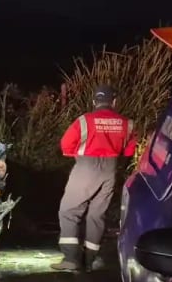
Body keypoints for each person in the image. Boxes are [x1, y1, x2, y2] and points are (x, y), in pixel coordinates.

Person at [52, 85, 137, 272]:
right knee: (97, 215)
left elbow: (66, 144)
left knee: (69, 211)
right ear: (114, 102)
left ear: (94, 102)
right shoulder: (127, 123)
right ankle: (89, 260)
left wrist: (78, 155)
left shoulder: (84, 121)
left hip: (86, 167)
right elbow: (130, 150)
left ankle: (71, 259)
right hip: (110, 170)